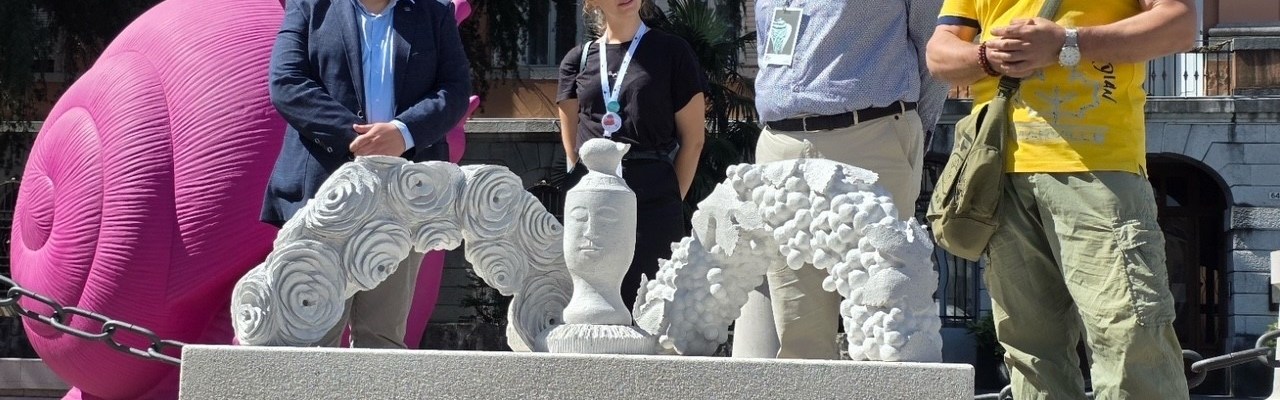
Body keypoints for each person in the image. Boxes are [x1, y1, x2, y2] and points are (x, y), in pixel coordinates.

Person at [926, 0, 1196, 397]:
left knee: (1128, 334)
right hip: (1000, 169)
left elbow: (1179, 25)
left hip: (1099, 167)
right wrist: (987, 56)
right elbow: (939, 53)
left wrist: (1066, 43)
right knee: (1030, 353)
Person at [732, 0, 949, 360]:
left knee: (886, 322)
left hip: (871, 136)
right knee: (798, 331)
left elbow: (936, 46)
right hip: (781, 148)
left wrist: (912, 130)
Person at [260, 0, 471, 348]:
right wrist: (357, 138)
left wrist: (403, 133)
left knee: (382, 338)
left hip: (401, 199)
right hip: (323, 195)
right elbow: (287, 82)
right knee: (311, 335)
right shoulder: (311, 7)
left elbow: (454, 89)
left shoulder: (434, 13)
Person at [555, 0, 707, 311]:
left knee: (651, 306)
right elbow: (571, 143)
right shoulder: (577, 60)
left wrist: (667, 198)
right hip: (595, 199)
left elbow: (693, 140)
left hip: (653, 198)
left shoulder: (672, 52)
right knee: (596, 307)